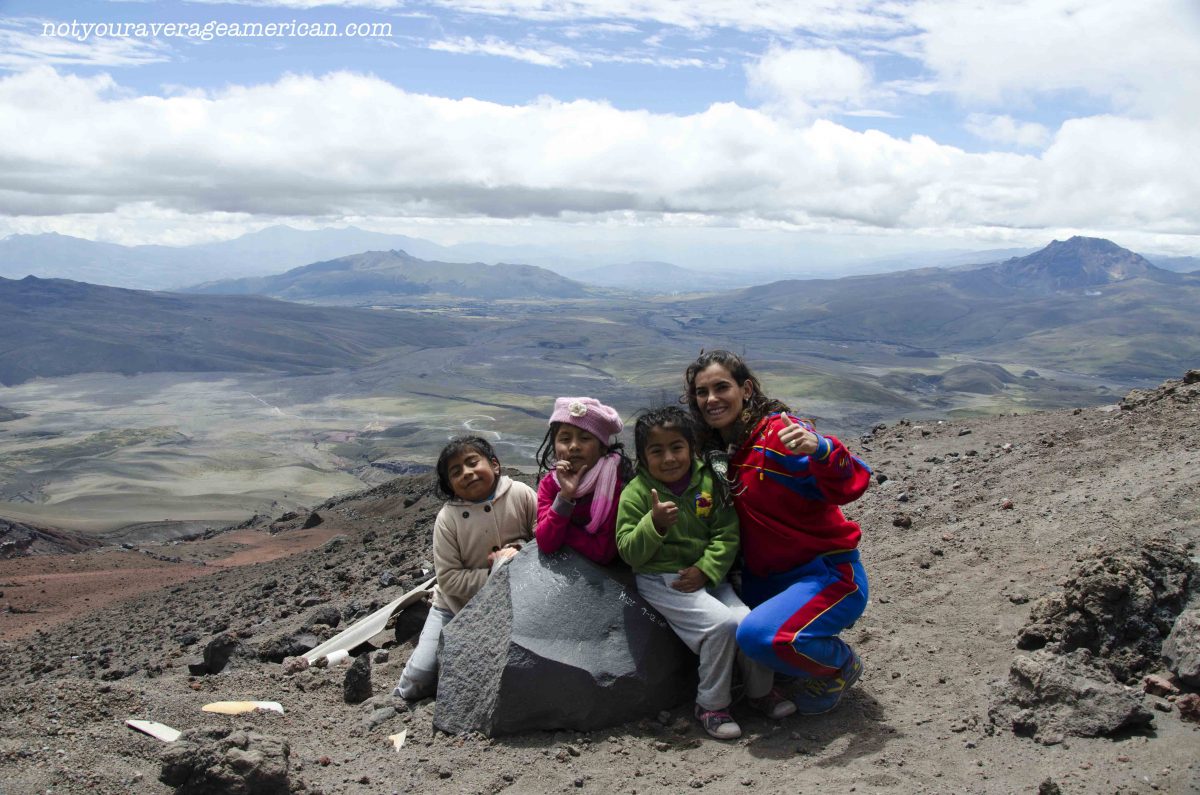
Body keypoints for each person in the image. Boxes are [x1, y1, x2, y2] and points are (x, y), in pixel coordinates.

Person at [684, 350, 872, 715]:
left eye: (721, 387)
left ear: (747, 389)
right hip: (767, 579)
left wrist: (821, 449)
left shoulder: (777, 436)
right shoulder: (716, 453)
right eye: (701, 392)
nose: (711, 399)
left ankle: (840, 664)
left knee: (757, 637)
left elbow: (853, 480)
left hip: (827, 574)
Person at [616, 407, 796, 740]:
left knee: (749, 623)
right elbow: (629, 551)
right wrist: (653, 524)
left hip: (710, 578)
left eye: (677, 447)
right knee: (721, 626)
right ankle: (710, 704)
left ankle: (759, 693)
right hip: (663, 580)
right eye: (657, 451)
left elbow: (727, 534)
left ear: (692, 447)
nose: (669, 458)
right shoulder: (637, 494)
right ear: (642, 457)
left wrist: (707, 570)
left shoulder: (710, 482)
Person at [393, 435, 536, 700]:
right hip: (455, 608)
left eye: (472, 463)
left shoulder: (521, 494)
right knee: (419, 679)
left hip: (519, 602)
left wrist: (520, 550)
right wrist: (497, 574)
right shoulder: (448, 519)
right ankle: (399, 696)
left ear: (494, 464)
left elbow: (545, 538)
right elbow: (448, 581)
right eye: (456, 472)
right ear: (450, 485)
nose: (467, 473)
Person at [535, 396, 632, 564]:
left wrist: (562, 531)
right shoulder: (550, 484)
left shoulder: (617, 483)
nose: (574, 446)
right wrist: (565, 496)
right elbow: (546, 543)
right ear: (554, 445)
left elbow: (603, 551)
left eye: (585, 438)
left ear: (603, 447)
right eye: (565, 439)